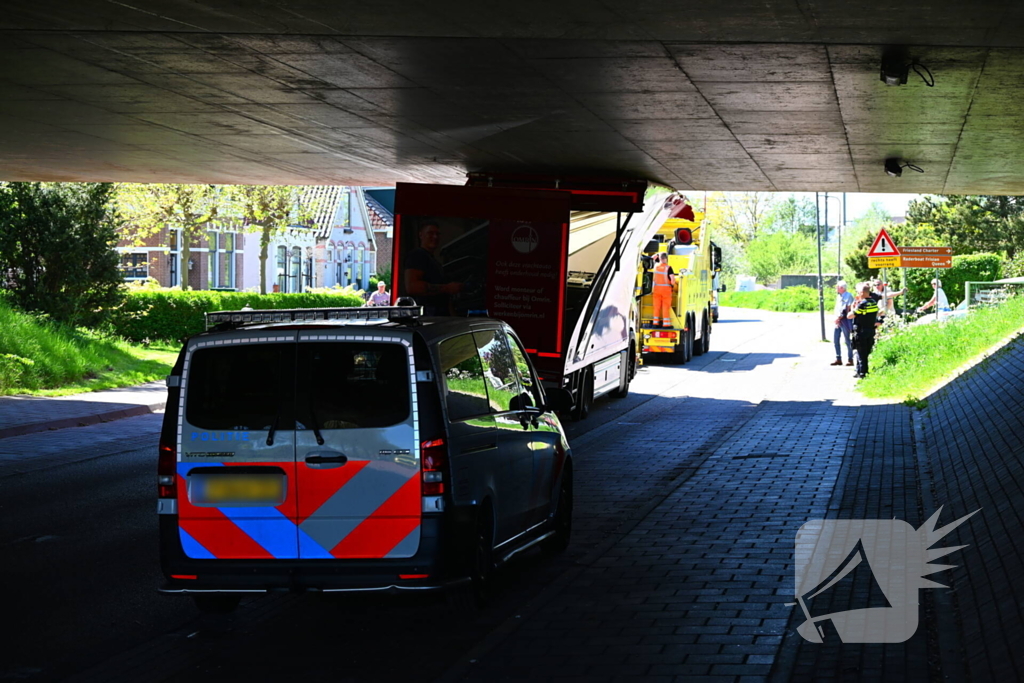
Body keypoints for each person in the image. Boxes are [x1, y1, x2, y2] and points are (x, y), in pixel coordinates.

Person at [405, 222, 462, 315]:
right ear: (421, 235)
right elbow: (412, 287)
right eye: (430, 233)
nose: (435, 237)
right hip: (427, 317)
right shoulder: (417, 255)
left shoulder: (434, 261)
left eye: (437, 234)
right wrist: (447, 288)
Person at [848, 282, 880, 379]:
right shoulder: (873, 303)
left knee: (861, 353)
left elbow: (849, 315)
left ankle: (862, 373)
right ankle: (860, 371)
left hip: (860, 332)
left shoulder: (862, 304)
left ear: (862, 293)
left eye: (857, 292)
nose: (857, 294)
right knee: (865, 353)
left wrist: (853, 307)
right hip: (870, 331)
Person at [831, 281, 854, 367]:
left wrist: (839, 318)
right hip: (837, 321)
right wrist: (836, 319)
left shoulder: (849, 296)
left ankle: (850, 359)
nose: (836, 288)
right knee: (836, 340)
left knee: (847, 340)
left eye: (837, 287)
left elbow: (847, 309)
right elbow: (837, 309)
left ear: (842, 288)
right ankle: (838, 358)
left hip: (845, 321)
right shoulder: (838, 296)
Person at [652, 252, 675, 328]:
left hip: (656, 290)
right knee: (665, 307)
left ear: (660, 258)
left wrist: (657, 255)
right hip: (666, 291)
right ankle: (666, 324)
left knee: (656, 307)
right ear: (666, 259)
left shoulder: (655, 266)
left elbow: (652, 258)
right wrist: (672, 285)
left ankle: (655, 323)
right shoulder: (668, 268)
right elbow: (672, 280)